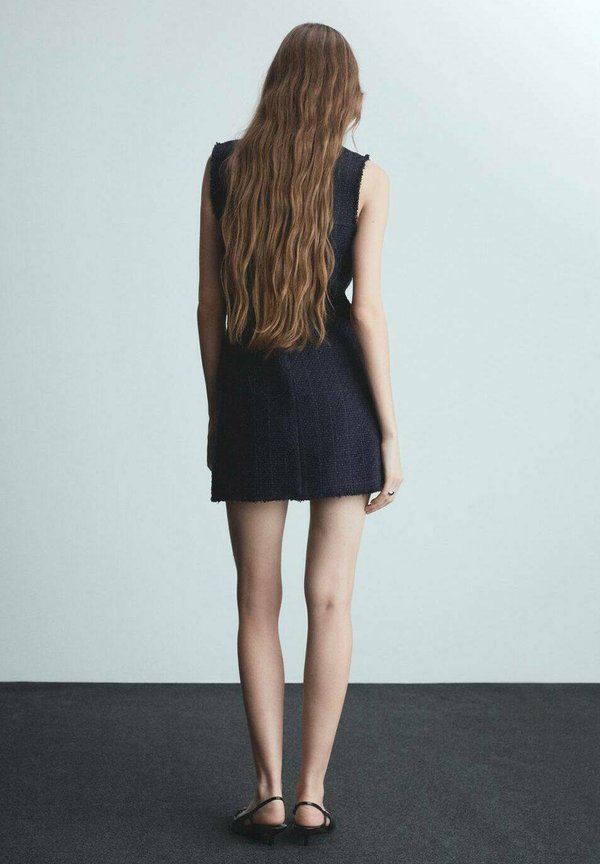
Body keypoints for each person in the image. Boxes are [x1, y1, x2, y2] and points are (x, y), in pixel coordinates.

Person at [197, 22, 403, 845]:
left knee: (257, 600)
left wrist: (220, 411)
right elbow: (368, 312)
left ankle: (268, 794)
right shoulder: (366, 178)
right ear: (343, 92)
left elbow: (209, 308)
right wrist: (389, 433)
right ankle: (313, 795)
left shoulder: (224, 167)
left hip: (251, 396)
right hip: (340, 401)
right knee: (331, 600)